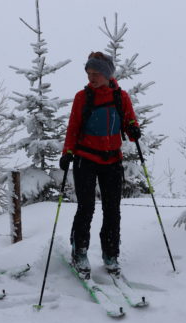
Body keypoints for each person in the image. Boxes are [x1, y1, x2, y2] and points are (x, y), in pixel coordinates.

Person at [60, 52, 141, 277]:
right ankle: (80, 251)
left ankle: (110, 254)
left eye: (96, 74)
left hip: (113, 160)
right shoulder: (82, 97)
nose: (91, 78)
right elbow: (73, 128)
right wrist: (67, 153)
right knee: (86, 208)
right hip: (85, 159)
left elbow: (130, 122)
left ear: (107, 75)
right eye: (89, 73)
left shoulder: (120, 97)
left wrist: (134, 128)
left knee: (112, 210)